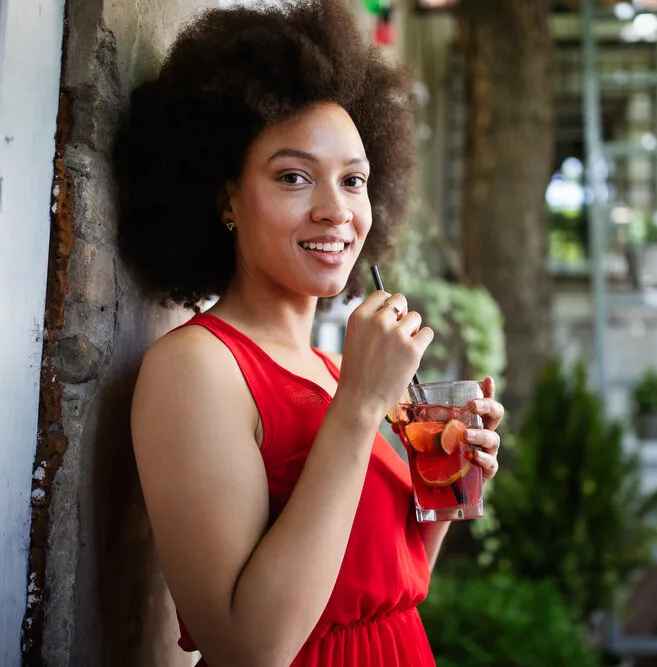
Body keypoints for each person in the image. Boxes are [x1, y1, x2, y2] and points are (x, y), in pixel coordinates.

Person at [112, 1, 504, 665]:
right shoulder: (196, 369)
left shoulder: (331, 368)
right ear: (225, 199)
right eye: (294, 176)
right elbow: (249, 647)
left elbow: (392, 589)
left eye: (354, 180)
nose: (336, 211)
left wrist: (448, 484)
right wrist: (357, 408)